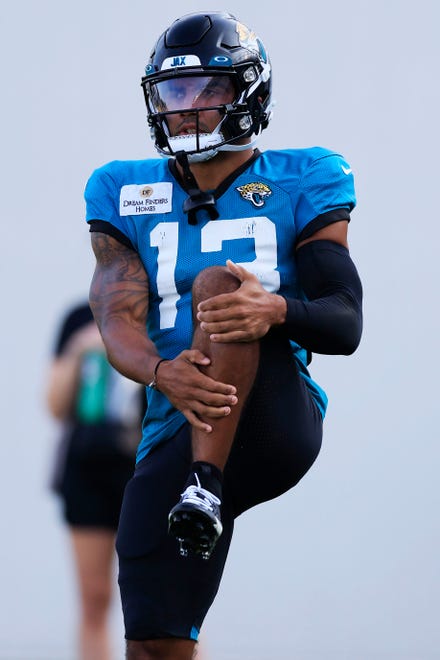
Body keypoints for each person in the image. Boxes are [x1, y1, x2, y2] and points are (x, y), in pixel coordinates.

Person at [83, 11, 363, 660]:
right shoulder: (119, 187)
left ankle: (206, 483)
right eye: (173, 93)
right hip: (173, 416)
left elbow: (345, 319)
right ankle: (194, 484)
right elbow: (115, 316)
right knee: (154, 639)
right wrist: (159, 372)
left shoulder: (306, 175)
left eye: (206, 90)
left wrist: (275, 311)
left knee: (220, 286)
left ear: (248, 93)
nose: (185, 109)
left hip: (269, 413)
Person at [46, 301, 145, 660]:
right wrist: (79, 350)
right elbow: (55, 406)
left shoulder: (167, 309)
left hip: (148, 465)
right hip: (88, 468)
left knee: (167, 599)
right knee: (94, 597)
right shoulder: (79, 318)